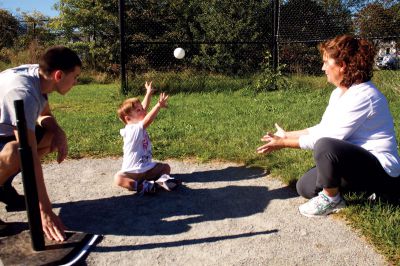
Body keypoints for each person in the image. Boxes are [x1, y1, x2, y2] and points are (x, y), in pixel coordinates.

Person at [256, 35, 400, 217]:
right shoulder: (339, 93)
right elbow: (323, 128)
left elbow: (327, 139)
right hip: (356, 163)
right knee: (305, 186)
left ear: (343, 65)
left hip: (382, 169)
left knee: (326, 145)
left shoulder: (365, 96)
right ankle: (361, 190)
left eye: (326, 62)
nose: (323, 68)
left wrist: (284, 144)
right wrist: (285, 135)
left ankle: (333, 199)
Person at [0, 46, 82, 240]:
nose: (76, 82)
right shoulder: (23, 92)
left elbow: (44, 115)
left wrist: (58, 132)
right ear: (59, 75)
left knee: (48, 138)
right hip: (4, 135)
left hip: (3, 131)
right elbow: (28, 155)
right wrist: (43, 210)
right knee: (16, 152)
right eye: (75, 77)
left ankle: (3, 188)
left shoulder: (39, 76)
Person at [114, 81, 181, 194]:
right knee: (118, 178)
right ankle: (140, 186)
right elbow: (148, 120)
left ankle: (161, 182)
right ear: (128, 119)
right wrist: (158, 106)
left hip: (147, 168)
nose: (143, 110)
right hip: (132, 171)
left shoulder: (136, 123)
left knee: (165, 167)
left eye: (141, 108)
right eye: (138, 110)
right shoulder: (131, 130)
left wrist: (148, 93)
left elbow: (144, 107)